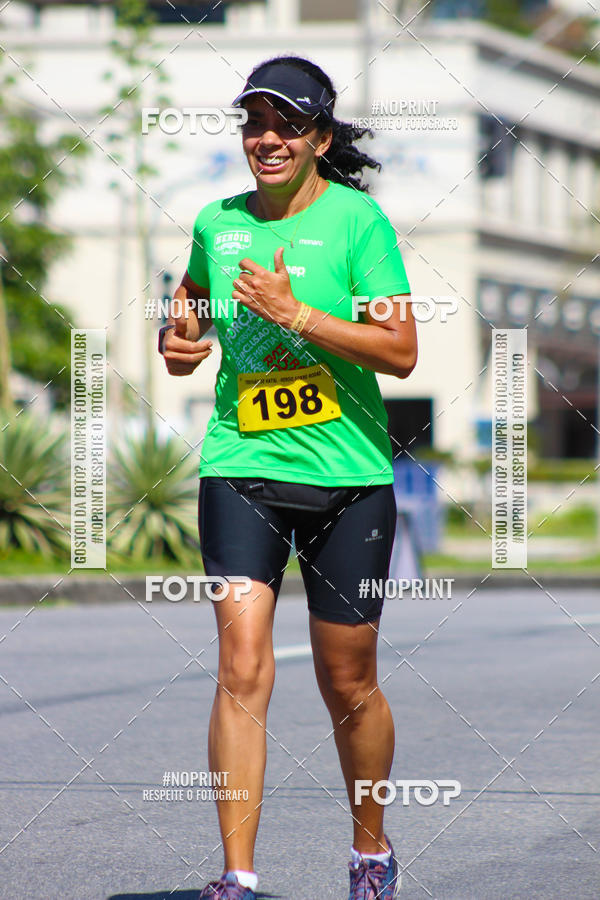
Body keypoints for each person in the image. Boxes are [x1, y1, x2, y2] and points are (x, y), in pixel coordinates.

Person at [159, 54, 417, 900]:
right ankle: (237, 875)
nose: (266, 139)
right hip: (242, 468)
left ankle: (370, 851)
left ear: (319, 139)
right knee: (241, 666)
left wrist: (297, 313)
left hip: (347, 478)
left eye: (286, 125)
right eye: (254, 123)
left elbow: (401, 350)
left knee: (348, 678)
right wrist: (181, 336)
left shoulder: (358, 225)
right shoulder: (218, 222)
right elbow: (191, 296)